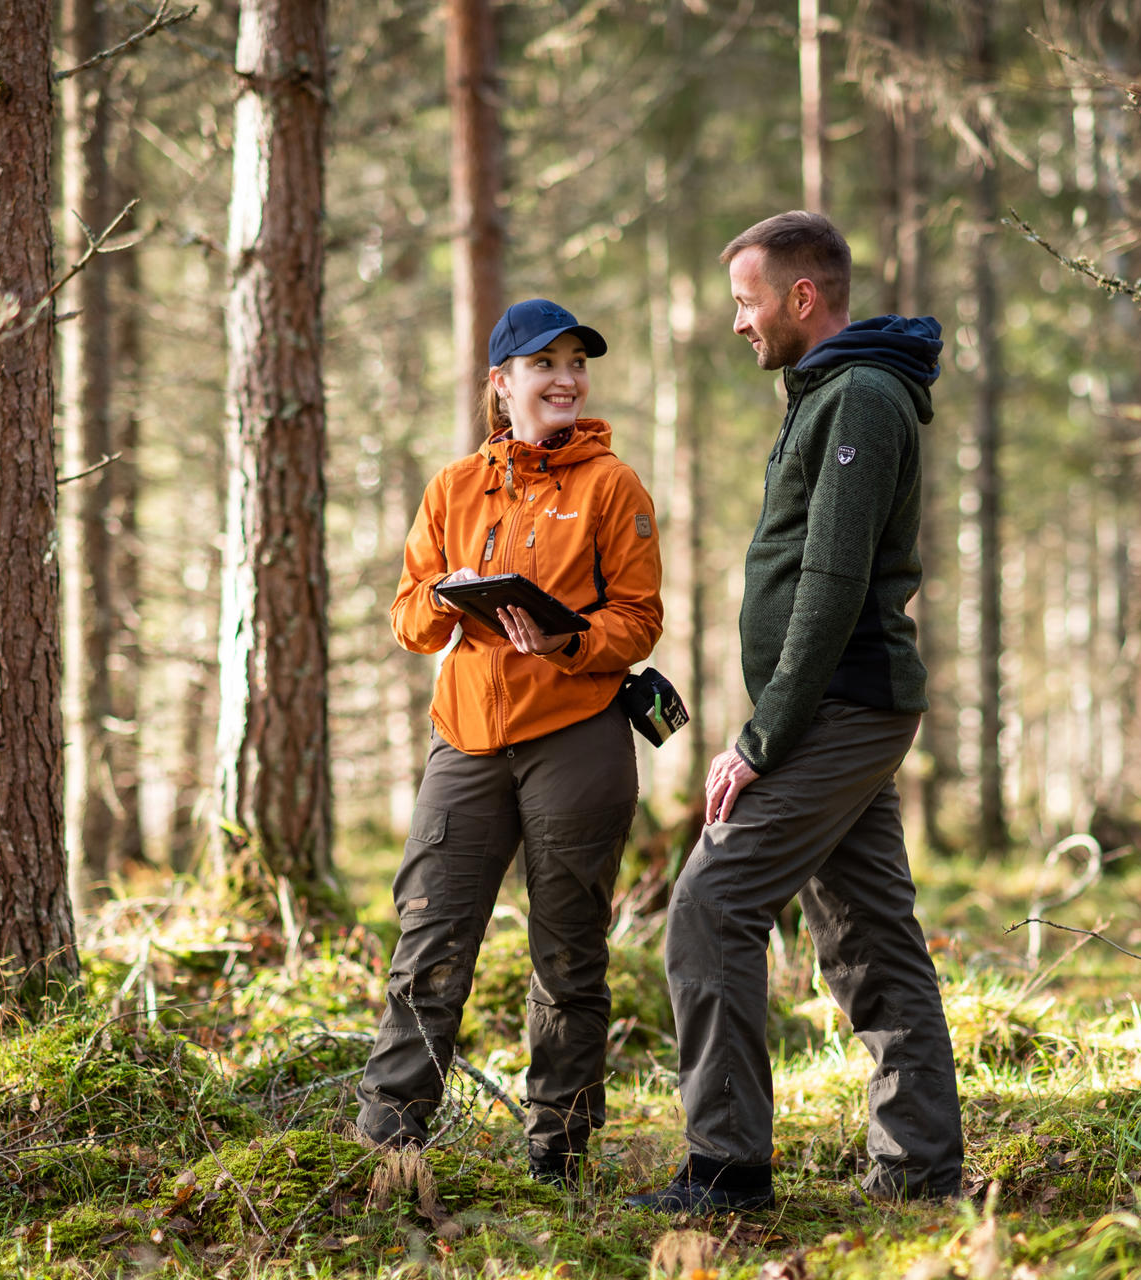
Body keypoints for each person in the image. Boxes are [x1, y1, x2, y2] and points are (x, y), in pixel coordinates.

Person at [627, 212, 963, 1213]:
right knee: (867, 933)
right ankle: (919, 1170)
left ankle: (724, 1168)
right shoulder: (824, 392)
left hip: (839, 707)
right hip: (838, 704)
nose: (737, 321)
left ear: (800, 297)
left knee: (710, 903)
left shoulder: (857, 396)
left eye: (746, 300)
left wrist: (759, 738)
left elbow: (829, 579)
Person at [355, 298, 663, 1189]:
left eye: (576, 363)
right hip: (466, 737)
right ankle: (387, 1147)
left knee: (568, 951)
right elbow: (407, 613)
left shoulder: (613, 487)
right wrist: (448, 598)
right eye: (544, 364)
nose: (565, 378)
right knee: (430, 939)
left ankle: (558, 1154)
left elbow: (638, 620)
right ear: (502, 383)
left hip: (577, 733)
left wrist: (569, 640)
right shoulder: (453, 487)